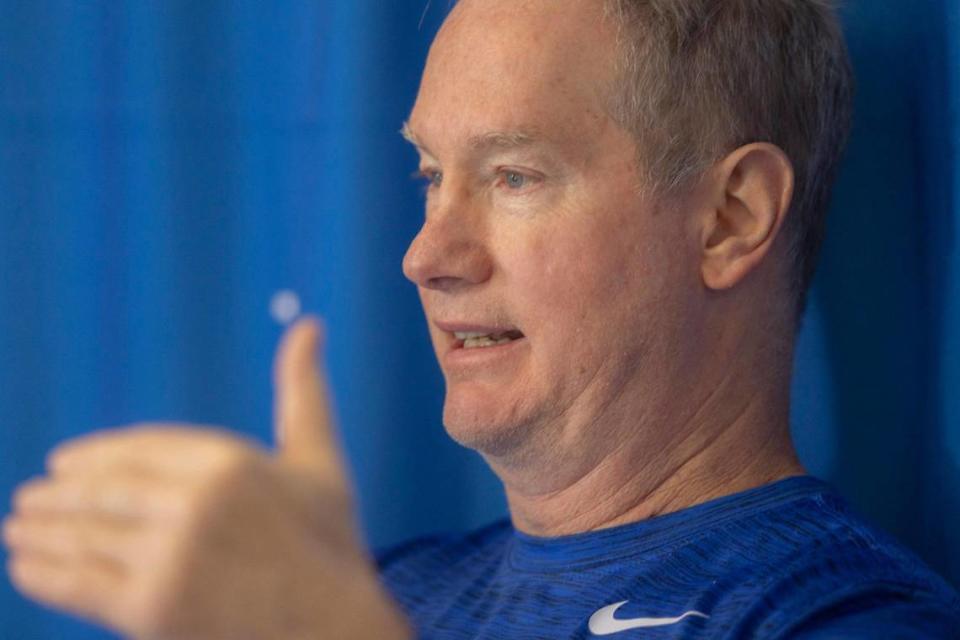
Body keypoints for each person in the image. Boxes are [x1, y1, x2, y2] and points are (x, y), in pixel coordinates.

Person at [2, 0, 959, 638]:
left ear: (729, 219)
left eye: (514, 176)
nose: (426, 257)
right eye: (431, 175)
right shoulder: (383, 592)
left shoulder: (850, 616)